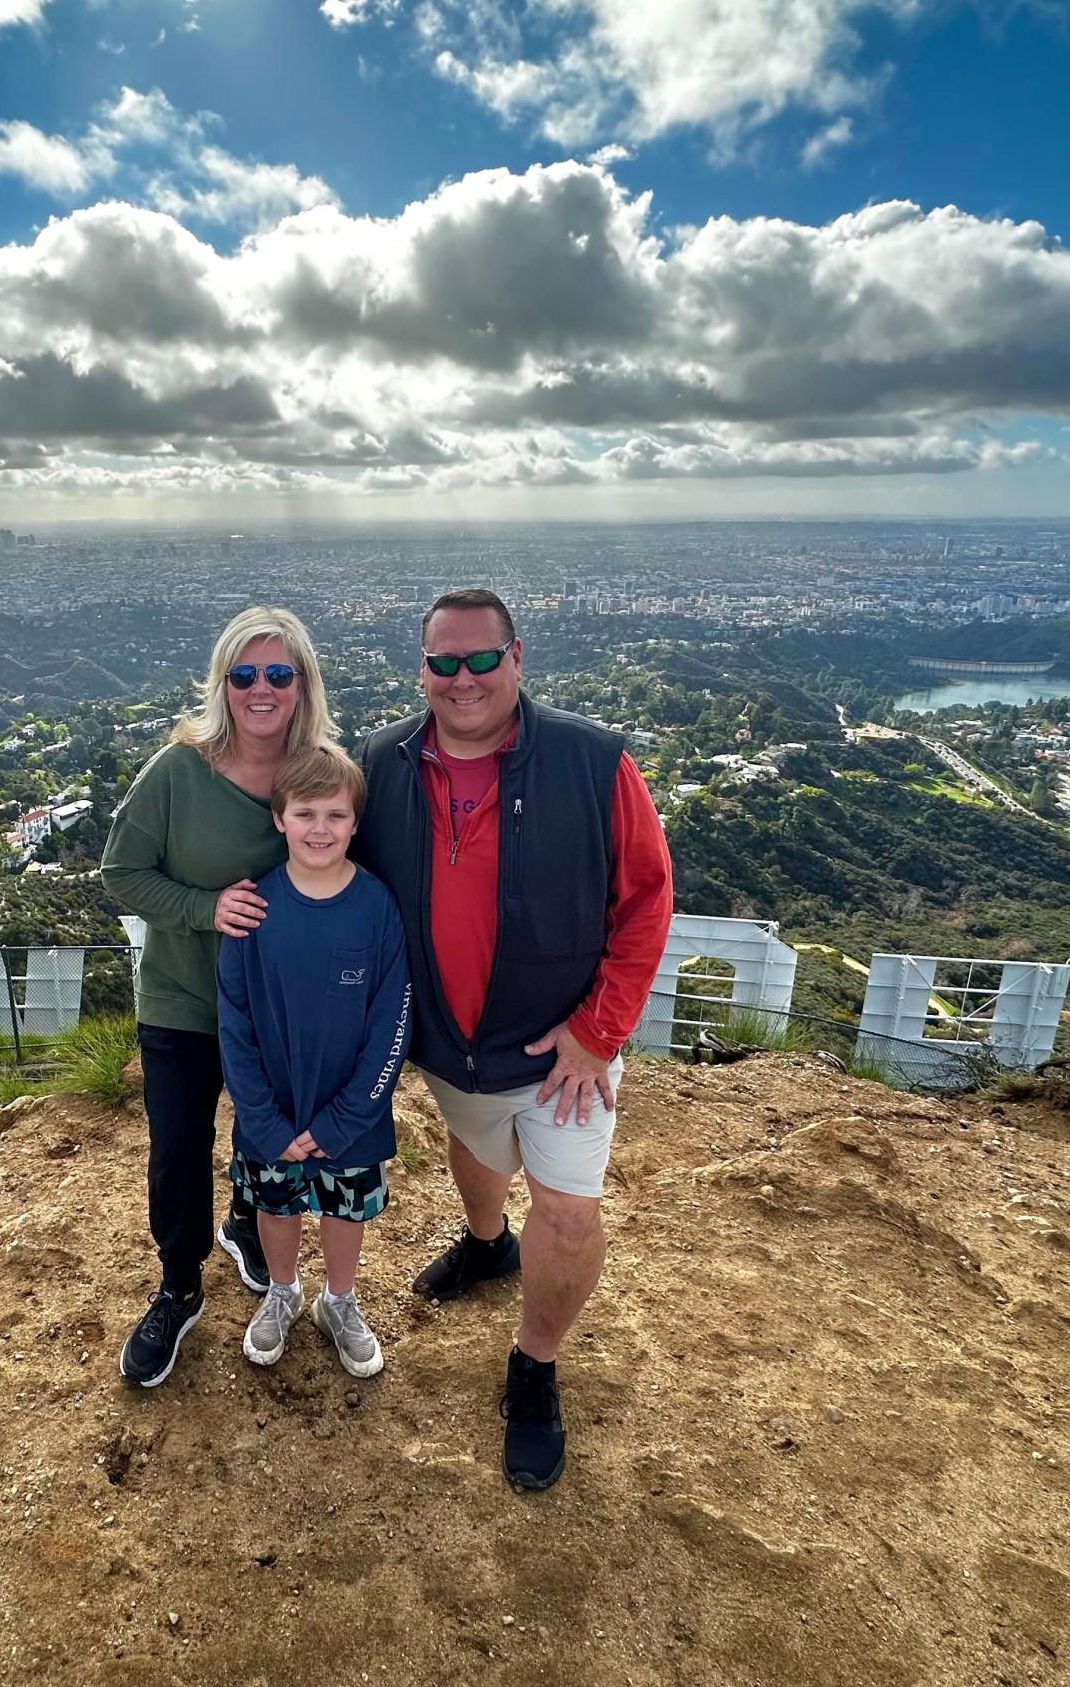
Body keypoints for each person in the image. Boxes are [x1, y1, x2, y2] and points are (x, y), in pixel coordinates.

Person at [352, 588, 674, 1490]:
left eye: (481, 659)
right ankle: (489, 1243)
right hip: (448, 1042)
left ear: (517, 659)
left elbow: (647, 900)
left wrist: (597, 1033)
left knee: (567, 1209)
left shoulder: (592, 762)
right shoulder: (381, 763)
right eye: (443, 663)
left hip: (561, 1050)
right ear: (420, 670)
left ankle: (534, 1364)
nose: (463, 680)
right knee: (474, 1142)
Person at [102, 605, 338, 1388]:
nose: (261, 689)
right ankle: (178, 1285)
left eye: (279, 673)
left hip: (276, 1010)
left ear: (303, 684)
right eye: (244, 675)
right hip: (180, 999)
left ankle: (244, 1223)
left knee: (263, 1133)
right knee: (176, 1148)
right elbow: (121, 873)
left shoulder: (320, 775)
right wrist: (205, 909)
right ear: (222, 685)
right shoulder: (178, 772)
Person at [217, 743, 410, 1379]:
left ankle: (339, 1301)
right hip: (270, 1110)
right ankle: (283, 1291)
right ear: (279, 817)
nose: (320, 829)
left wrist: (344, 1119)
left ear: (357, 822)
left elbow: (391, 1025)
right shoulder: (253, 909)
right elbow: (235, 1023)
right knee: (275, 1205)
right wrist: (265, 1122)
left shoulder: (378, 907)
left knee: (343, 1208)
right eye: (304, 813)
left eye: (335, 815)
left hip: (351, 1115)